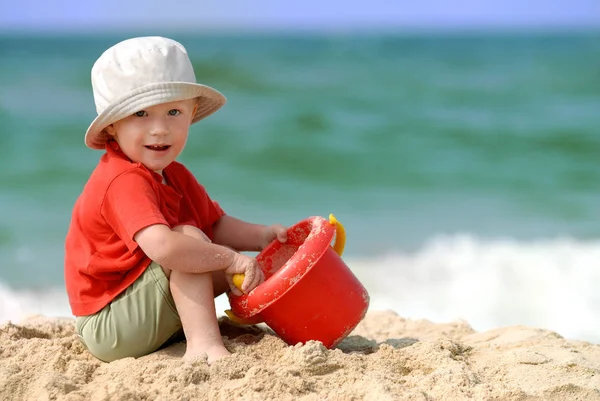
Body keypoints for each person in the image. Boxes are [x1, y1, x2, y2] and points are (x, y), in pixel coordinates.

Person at [64, 36, 288, 365]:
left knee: (226, 256)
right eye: (141, 114)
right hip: (108, 324)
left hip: (138, 312)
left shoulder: (175, 173)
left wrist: (262, 236)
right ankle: (204, 347)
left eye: (173, 112)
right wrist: (227, 260)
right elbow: (165, 248)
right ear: (112, 127)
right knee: (189, 241)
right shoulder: (123, 179)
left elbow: (216, 224)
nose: (160, 129)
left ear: (192, 113)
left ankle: (218, 323)